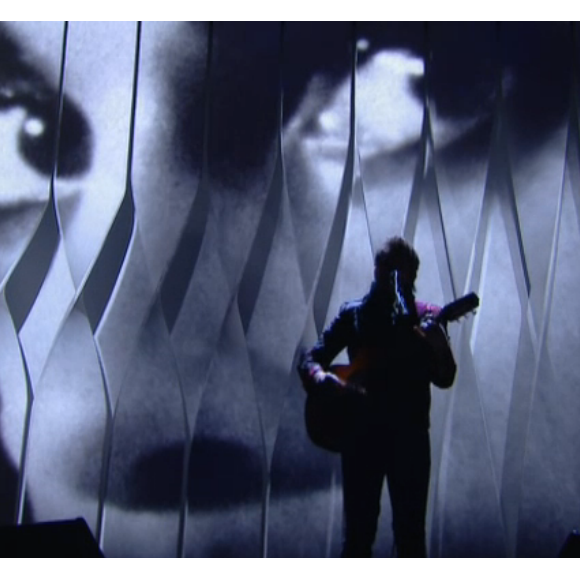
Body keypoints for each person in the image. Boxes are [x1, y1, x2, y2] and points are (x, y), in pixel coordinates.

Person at [299, 237, 457, 558]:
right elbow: (311, 359)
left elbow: (445, 377)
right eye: (389, 271)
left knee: (411, 536)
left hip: (410, 438)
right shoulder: (354, 315)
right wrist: (324, 378)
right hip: (361, 437)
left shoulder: (426, 318)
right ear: (377, 270)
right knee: (358, 536)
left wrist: (439, 345)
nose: (394, 279)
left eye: (403, 273)